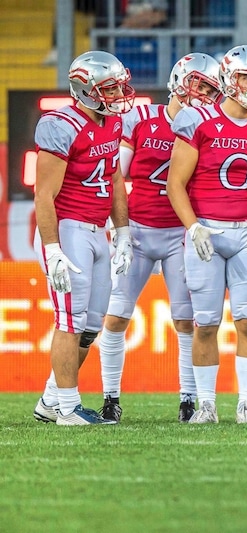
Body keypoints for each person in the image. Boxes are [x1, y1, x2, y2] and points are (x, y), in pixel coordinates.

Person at [166, 44, 247, 424]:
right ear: (229, 78)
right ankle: (206, 404)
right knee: (205, 323)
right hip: (206, 229)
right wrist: (194, 227)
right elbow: (176, 184)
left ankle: (243, 405)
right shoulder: (197, 120)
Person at [97, 53, 222, 423]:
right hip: (136, 228)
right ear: (180, 80)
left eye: (210, 89)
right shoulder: (140, 117)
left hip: (180, 234)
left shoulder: (208, 125)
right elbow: (115, 176)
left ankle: (187, 397)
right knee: (116, 315)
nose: (202, 94)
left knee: (186, 320)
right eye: (199, 85)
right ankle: (110, 396)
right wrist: (116, 229)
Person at [31, 50, 135, 425]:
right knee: (69, 321)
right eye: (110, 87)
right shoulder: (61, 124)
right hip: (68, 227)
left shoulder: (112, 123)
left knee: (90, 326)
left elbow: (114, 178)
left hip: (96, 229)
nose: (118, 93)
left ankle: (50, 400)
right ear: (85, 88)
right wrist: (53, 247)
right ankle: (68, 408)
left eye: (120, 85)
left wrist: (122, 230)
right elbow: (44, 194)